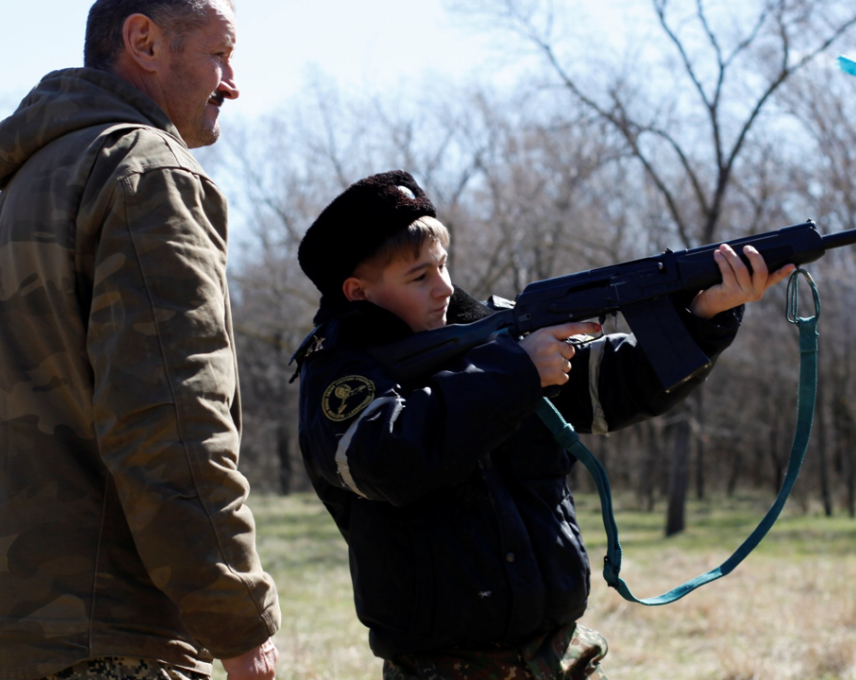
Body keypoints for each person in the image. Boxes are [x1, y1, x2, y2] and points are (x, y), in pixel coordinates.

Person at [292, 170, 794, 679]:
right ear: (357, 292)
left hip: (563, 653)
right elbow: (387, 459)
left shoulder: (494, 337)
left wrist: (704, 315)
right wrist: (518, 373)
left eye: (443, 266)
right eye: (419, 277)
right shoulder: (340, 376)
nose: (444, 287)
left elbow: (615, 387)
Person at [0, 2, 281, 680]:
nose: (232, 82)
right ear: (144, 41)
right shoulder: (146, 172)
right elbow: (170, 423)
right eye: (219, 54)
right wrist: (238, 623)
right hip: (106, 635)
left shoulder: (17, 185)